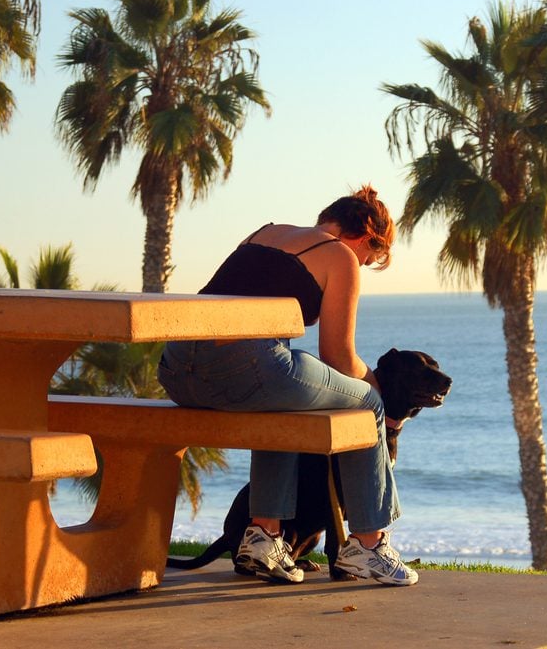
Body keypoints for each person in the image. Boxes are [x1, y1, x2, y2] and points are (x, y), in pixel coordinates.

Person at [157, 185, 417, 586]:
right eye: (369, 259)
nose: (361, 265)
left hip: (177, 371)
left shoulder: (265, 232)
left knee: (282, 401)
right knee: (368, 404)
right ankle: (369, 545)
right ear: (366, 238)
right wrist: (374, 385)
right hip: (242, 367)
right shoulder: (340, 255)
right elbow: (338, 357)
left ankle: (265, 536)